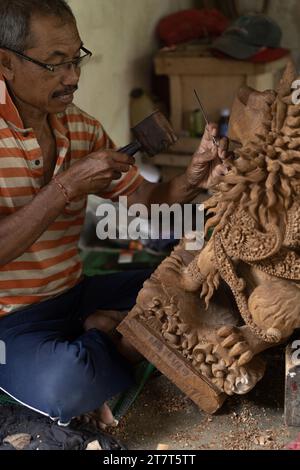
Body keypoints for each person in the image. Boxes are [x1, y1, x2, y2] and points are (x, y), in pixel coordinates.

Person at [0, 0, 229, 428]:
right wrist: (66, 188)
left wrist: (193, 179)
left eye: (76, 59)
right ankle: (114, 337)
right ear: (6, 63)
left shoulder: (78, 126)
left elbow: (143, 199)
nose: (73, 77)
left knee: (206, 280)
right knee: (66, 386)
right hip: (9, 323)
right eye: (54, 64)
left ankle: (104, 331)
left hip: (74, 290)